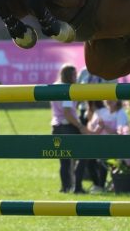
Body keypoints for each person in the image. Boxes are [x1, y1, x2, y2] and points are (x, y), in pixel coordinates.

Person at [50, 64, 90, 194]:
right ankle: (77, 187)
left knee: (64, 161)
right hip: (68, 126)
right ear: (69, 76)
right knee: (83, 155)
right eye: (74, 74)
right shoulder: (67, 89)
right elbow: (67, 112)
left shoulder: (55, 85)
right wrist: (80, 126)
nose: (77, 76)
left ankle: (65, 188)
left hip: (56, 126)